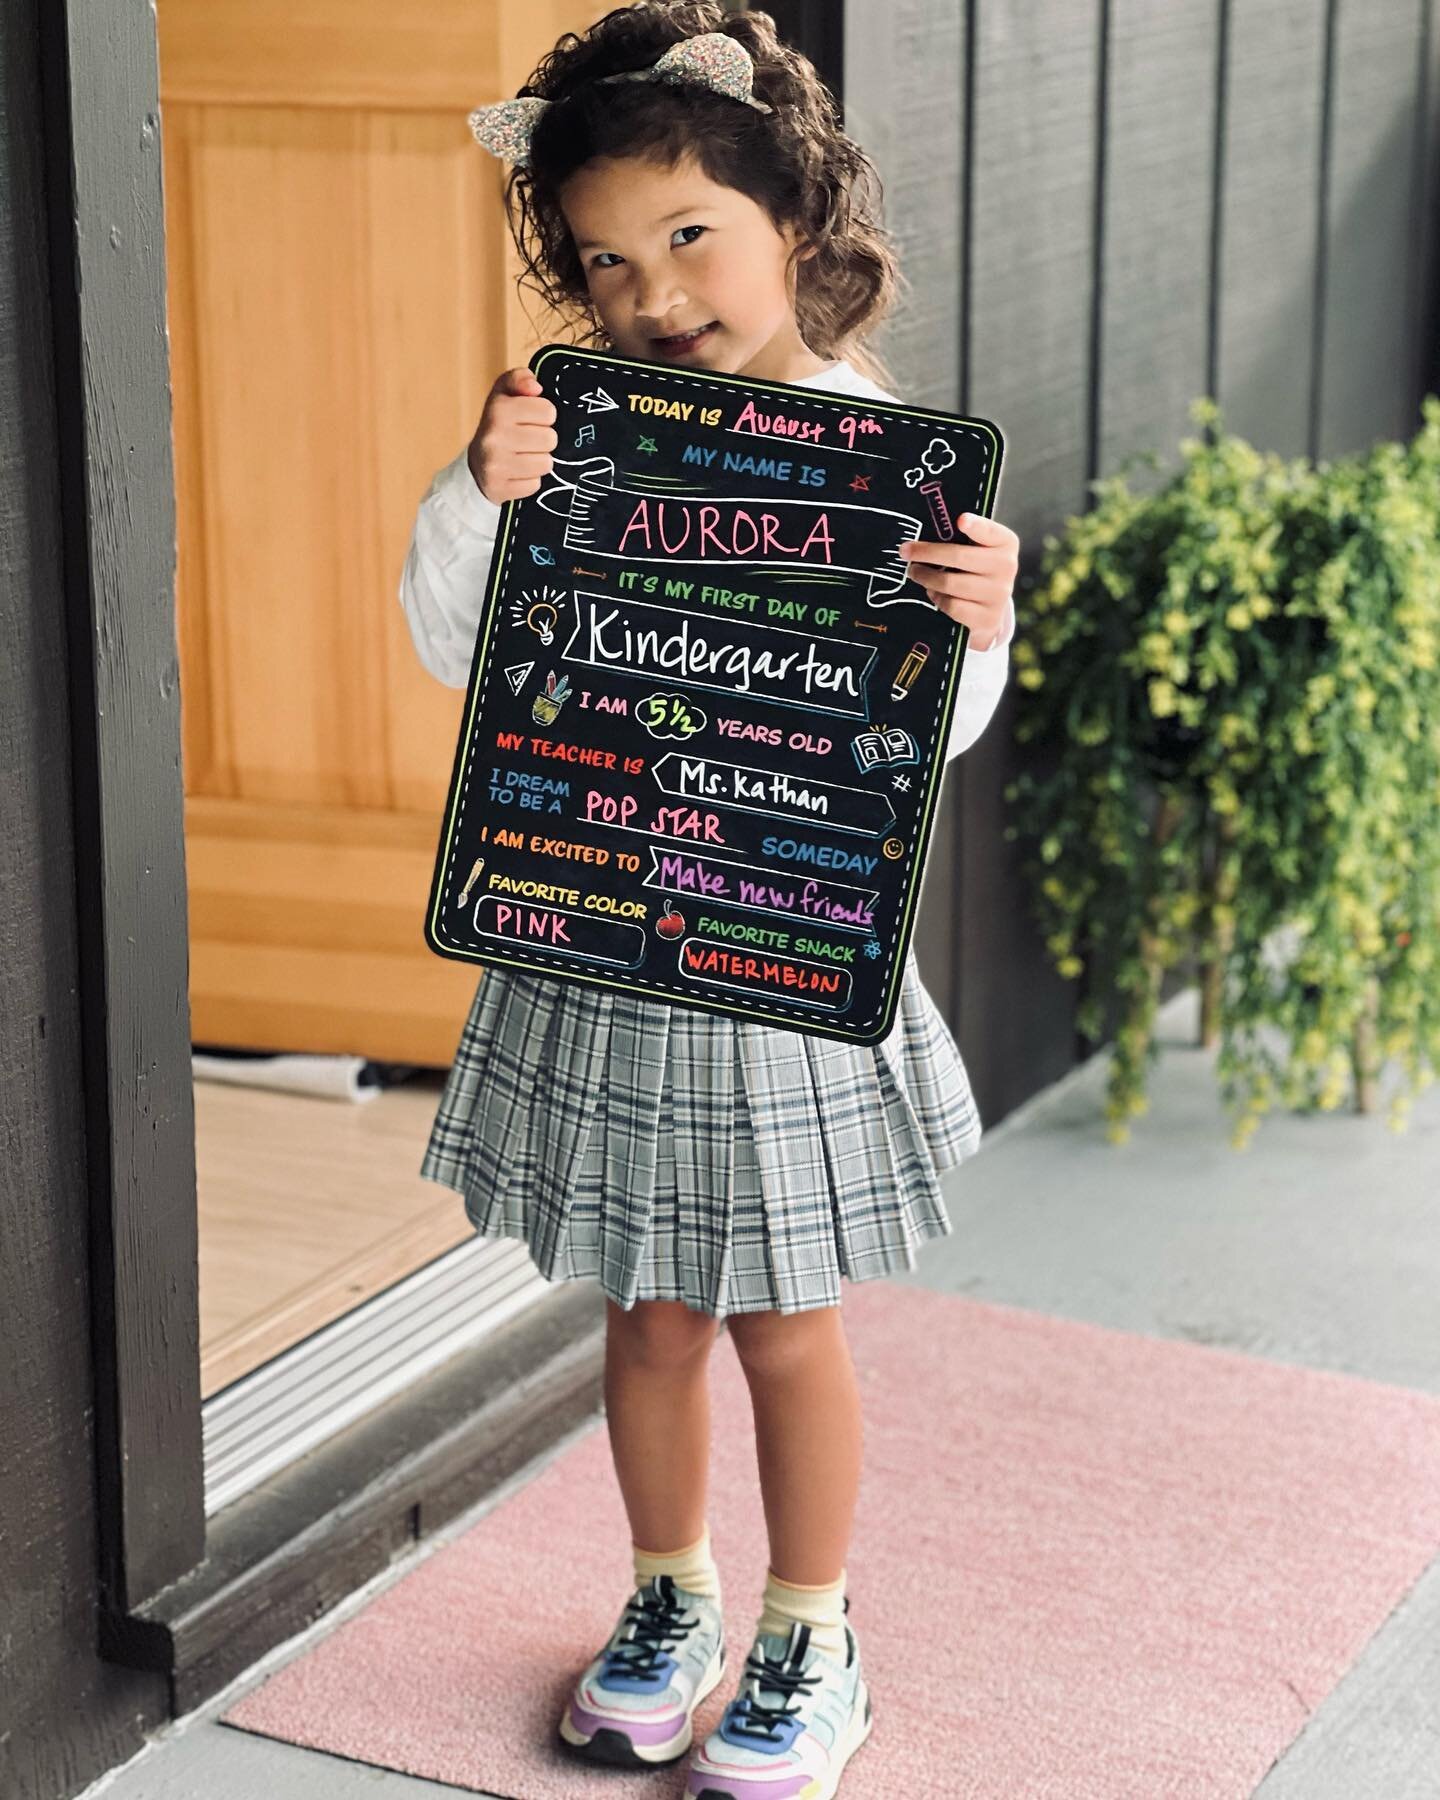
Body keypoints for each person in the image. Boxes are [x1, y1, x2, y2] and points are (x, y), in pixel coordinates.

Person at [398, 6, 1019, 1794]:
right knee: (648, 1308)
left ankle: (809, 1628)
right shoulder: (571, 438)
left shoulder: (869, 449)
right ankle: (667, 1597)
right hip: (604, 918)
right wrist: (481, 493)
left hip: (779, 934)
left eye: (691, 237)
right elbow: (463, 652)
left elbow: (923, 740)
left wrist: (976, 625)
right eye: (607, 260)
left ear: (793, 231)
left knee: (782, 1315)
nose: (655, 289)